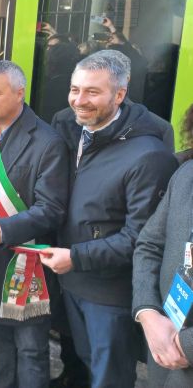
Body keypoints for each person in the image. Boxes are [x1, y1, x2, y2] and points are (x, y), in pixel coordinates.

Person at [41, 49, 178, 388]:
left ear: (120, 94)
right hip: (71, 280)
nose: (79, 100)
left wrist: (76, 257)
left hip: (110, 293)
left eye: (92, 91)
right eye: (75, 89)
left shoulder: (149, 155)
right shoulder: (69, 126)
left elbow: (141, 238)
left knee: (110, 377)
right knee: (88, 365)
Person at [0, 61, 69, 388]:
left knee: (31, 350)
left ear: (20, 93)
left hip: (27, 262)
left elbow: (51, 209)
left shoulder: (48, 141)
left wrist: (6, 229)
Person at [133, 161, 193, 387]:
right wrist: (148, 314)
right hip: (162, 358)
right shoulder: (186, 173)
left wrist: (185, 345)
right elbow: (149, 245)